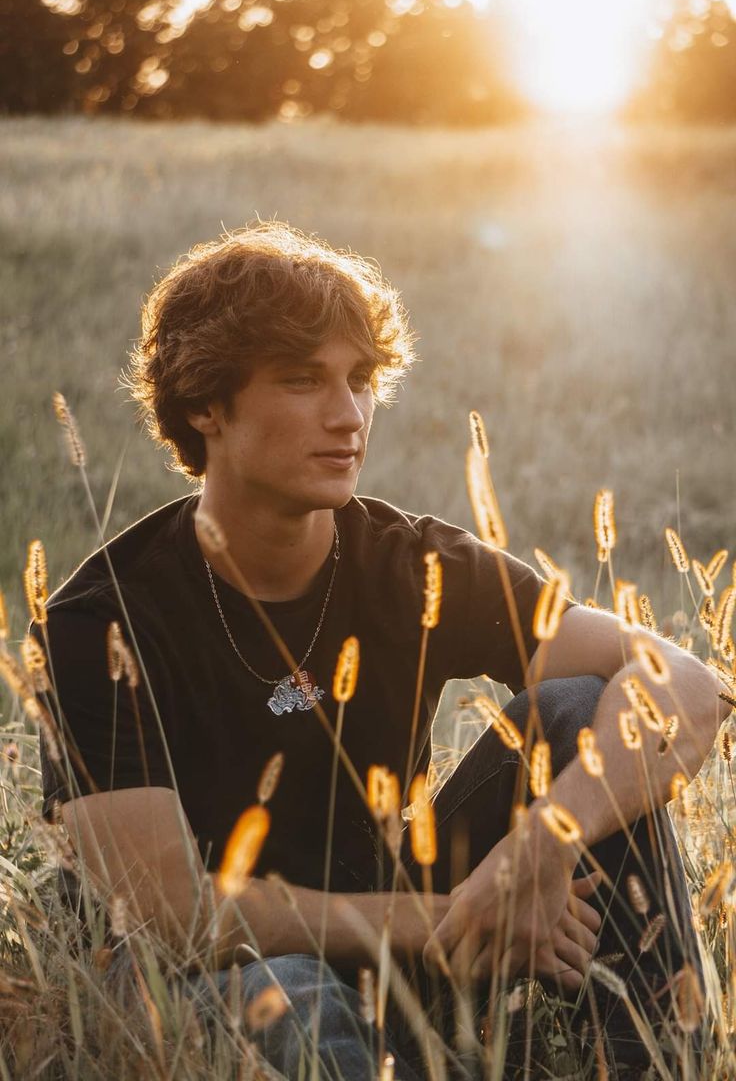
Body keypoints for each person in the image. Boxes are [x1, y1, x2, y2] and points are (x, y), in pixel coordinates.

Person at [37, 222, 724, 1079]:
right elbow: (170, 917)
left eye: (361, 381)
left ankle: (660, 1064)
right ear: (206, 405)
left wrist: (537, 849)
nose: (349, 415)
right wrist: (457, 917)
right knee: (291, 992)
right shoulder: (99, 623)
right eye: (302, 381)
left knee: (581, 710)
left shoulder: (412, 562)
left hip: (416, 959)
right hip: (205, 989)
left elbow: (689, 688)